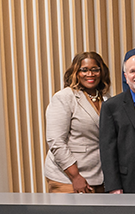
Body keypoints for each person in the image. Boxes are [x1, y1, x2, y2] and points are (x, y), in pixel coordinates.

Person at [44, 52, 111, 193]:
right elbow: (56, 141)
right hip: (67, 178)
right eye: (84, 70)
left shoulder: (107, 99)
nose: (90, 74)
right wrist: (75, 177)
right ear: (75, 73)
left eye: (95, 69)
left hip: (98, 177)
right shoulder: (64, 97)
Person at [100, 55, 135, 193]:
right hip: (128, 181)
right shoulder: (111, 106)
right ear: (126, 76)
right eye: (132, 71)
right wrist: (113, 186)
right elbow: (107, 149)